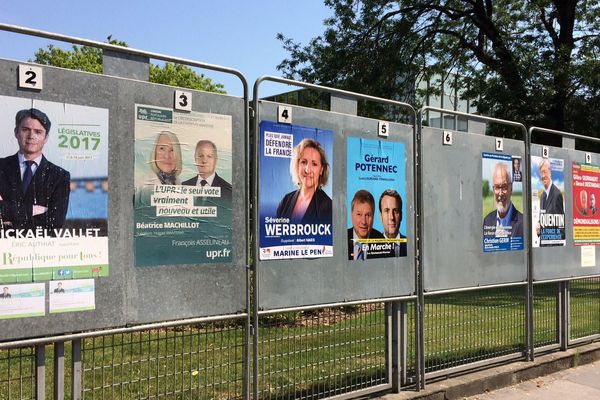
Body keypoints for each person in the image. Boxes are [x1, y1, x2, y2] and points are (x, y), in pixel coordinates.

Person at [0, 108, 70, 232]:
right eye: (25, 130)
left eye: (38, 132)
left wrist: (9, 211)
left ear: (46, 137)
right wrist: (32, 210)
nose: (31, 136)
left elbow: (55, 223)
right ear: (16, 132)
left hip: (39, 248)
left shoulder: (59, 176)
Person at [276, 138, 332, 223]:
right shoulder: (285, 201)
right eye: (304, 162)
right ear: (297, 165)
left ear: (321, 170)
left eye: (314, 164)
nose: (307, 170)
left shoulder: (328, 206)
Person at [483, 162, 523, 238]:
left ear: (511, 189)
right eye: (497, 187)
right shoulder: (487, 221)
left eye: (504, 187)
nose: (500, 193)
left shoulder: (523, 223)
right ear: (493, 190)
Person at [347, 190, 384, 260]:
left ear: (373, 217)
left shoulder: (381, 240)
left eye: (368, 215)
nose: (363, 222)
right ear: (351, 215)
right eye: (359, 214)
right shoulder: (342, 239)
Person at [379, 189, 407, 257]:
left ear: (401, 216)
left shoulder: (411, 244)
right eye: (387, 211)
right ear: (380, 216)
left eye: (395, 211)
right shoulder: (370, 246)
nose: (392, 217)